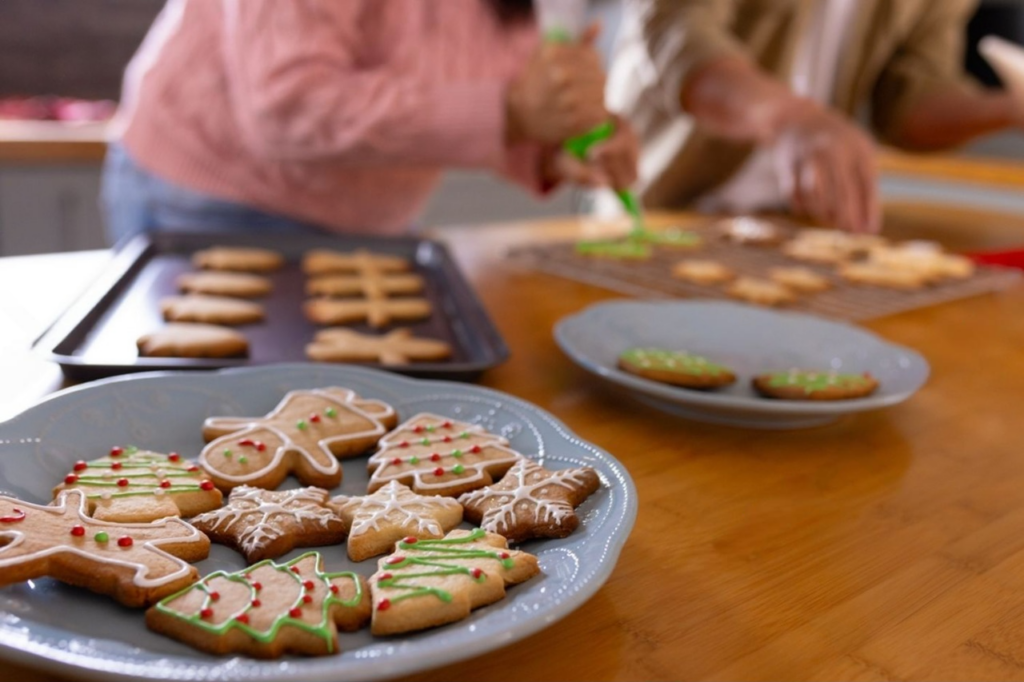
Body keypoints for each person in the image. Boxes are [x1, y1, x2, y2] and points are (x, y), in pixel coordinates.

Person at [102, 0, 638, 245]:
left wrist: (554, 146)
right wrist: (512, 111)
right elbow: (291, 104)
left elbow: (496, 87)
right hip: (217, 193)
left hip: (367, 220)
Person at [605, 0, 1021, 234]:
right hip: (659, 205)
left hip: (793, 220)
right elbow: (679, 36)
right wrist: (793, 120)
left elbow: (909, 102)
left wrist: (1008, 107)